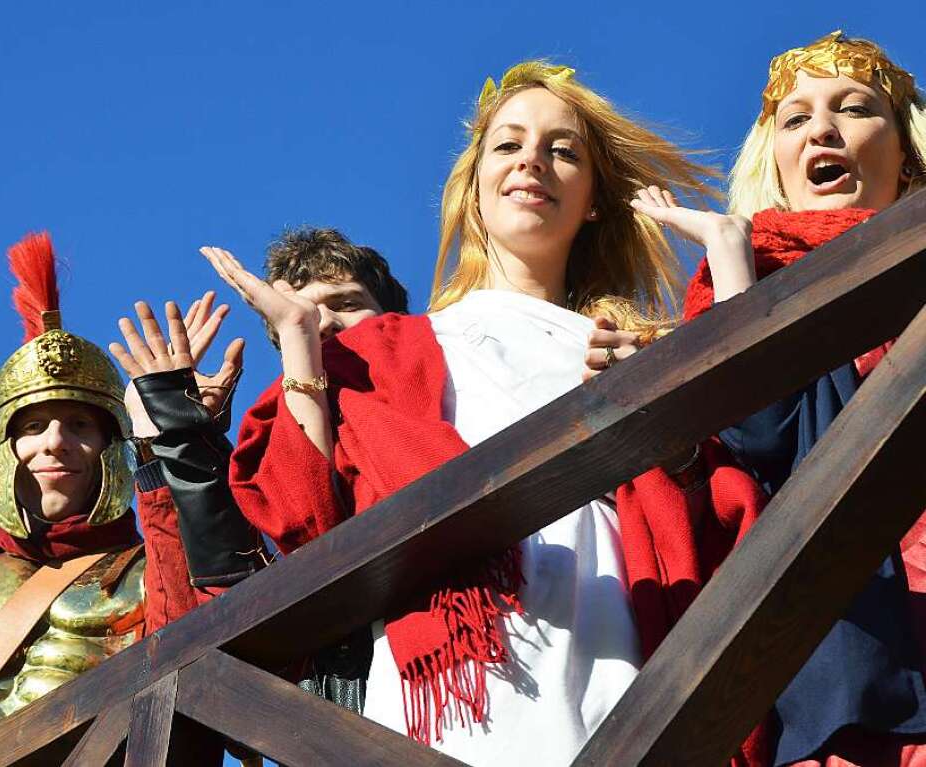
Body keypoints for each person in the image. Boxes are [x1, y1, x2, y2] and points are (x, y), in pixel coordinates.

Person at [208, 62, 771, 766]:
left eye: (561, 150)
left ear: (593, 198)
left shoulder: (632, 348)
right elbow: (302, 515)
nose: (531, 159)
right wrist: (300, 345)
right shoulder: (390, 348)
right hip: (458, 692)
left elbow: (736, 509)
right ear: (475, 186)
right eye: (507, 145)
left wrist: (669, 429)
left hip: (626, 656)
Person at [636, 31, 926, 767]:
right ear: (774, 158)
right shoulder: (743, 283)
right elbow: (760, 437)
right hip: (843, 663)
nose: (822, 130)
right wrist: (732, 259)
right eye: (793, 119)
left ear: (907, 152)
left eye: (853, 108)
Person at [0, 233, 219, 765]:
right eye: (33, 426)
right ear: (6, 449)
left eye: (78, 424)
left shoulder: (156, 567)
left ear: (109, 448)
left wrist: (174, 447)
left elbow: (198, 651)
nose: (54, 441)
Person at [111, 227, 410, 716]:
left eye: (348, 303)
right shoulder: (267, 457)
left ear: (396, 318)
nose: (325, 322)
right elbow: (213, 619)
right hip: (341, 726)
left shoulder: (447, 397)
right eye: (306, 315)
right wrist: (173, 441)